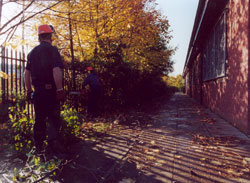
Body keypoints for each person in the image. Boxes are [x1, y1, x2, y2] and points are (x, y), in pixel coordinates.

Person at [24, 24, 65, 155]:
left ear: (39, 37)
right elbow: (56, 70)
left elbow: (26, 73)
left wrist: (29, 91)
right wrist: (59, 89)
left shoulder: (32, 52)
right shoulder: (52, 50)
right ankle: (53, 147)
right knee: (53, 118)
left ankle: (38, 147)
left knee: (39, 120)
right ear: (50, 36)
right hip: (51, 92)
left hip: (38, 92)